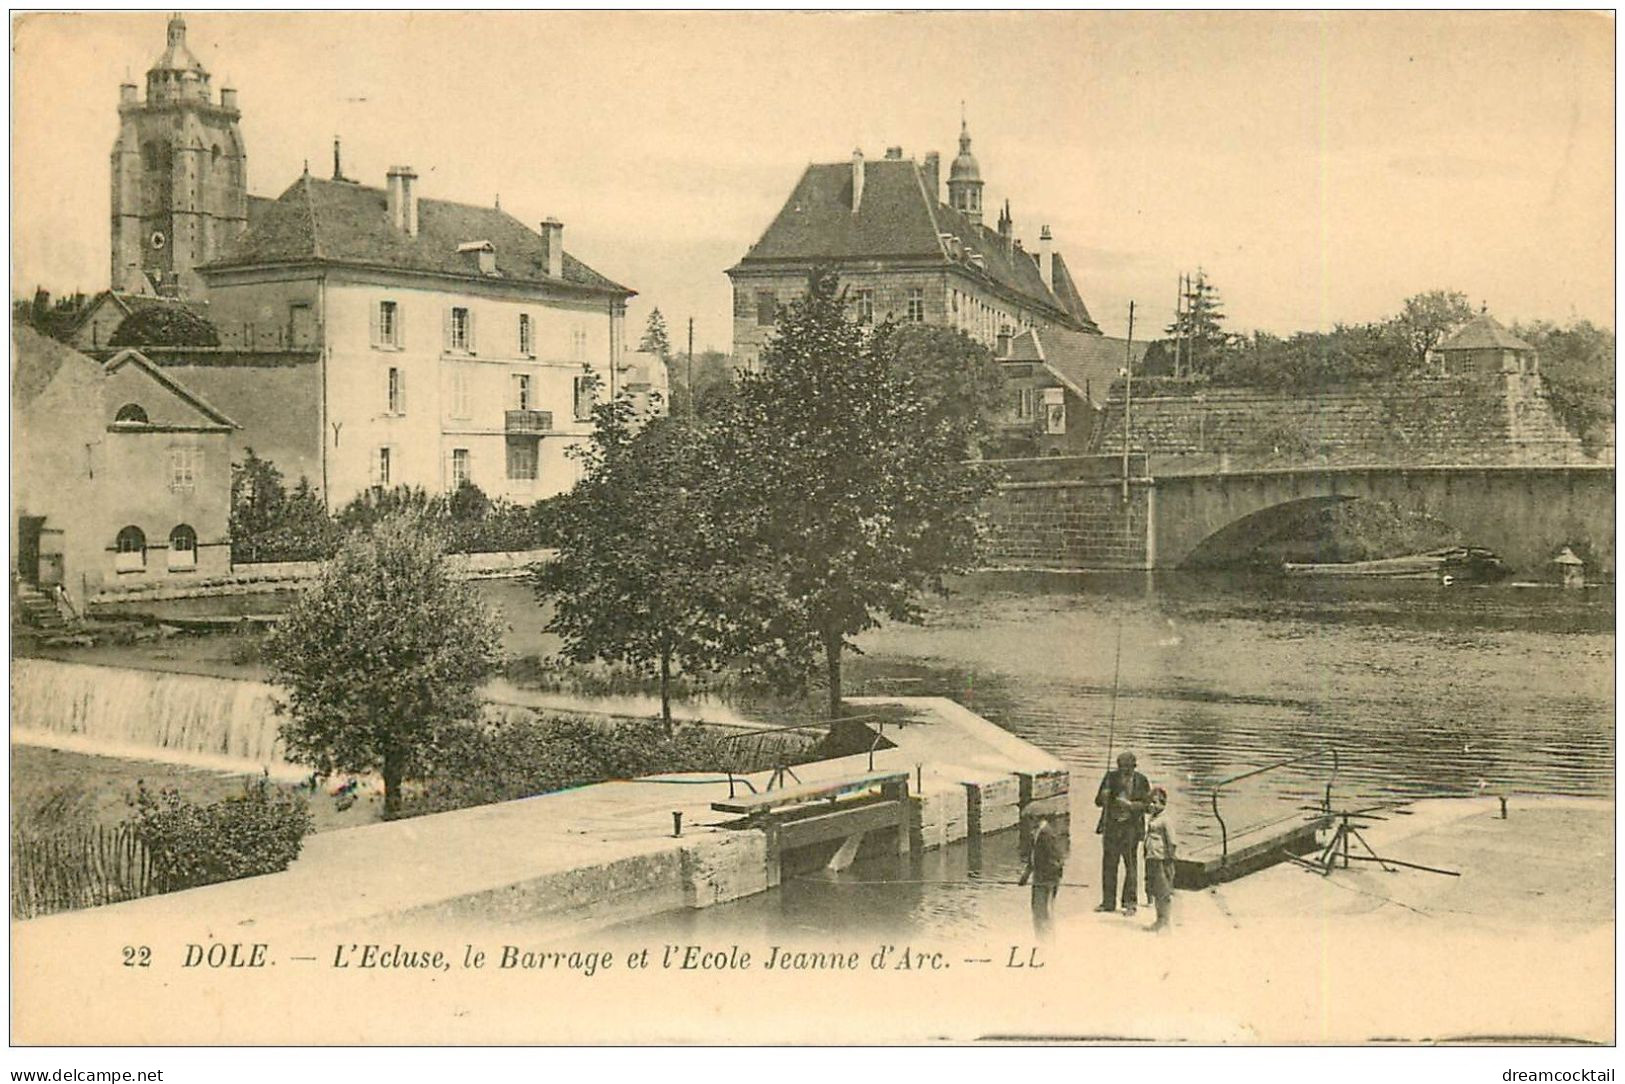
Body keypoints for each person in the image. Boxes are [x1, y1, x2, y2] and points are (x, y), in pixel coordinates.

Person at [1094, 750, 1150, 914]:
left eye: (1126, 768)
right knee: (1109, 865)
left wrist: (1131, 806)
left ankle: (1130, 903)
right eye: (1121, 768)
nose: (1123, 771)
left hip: (1131, 828)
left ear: (1133, 766)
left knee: (1131, 865)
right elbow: (1097, 801)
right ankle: (1108, 902)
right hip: (1111, 827)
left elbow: (1148, 806)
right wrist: (1103, 796)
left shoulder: (1142, 781)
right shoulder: (1110, 777)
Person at [1018, 811, 1066, 938]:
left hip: (1045, 879)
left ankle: (1045, 941)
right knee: (1039, 910)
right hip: (1039, 877)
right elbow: (1034, 857)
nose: (1027, 825)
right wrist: (1026, 875)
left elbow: (1057, 858)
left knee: (1042, 911)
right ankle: (1042, 938)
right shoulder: (1038, 832)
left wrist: (1049, 878)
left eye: (1028, 821)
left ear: (1034, 818)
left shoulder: (1046, 834)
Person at [1144, 787, 1178, 932]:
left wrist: (1170, 859)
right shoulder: (1153, 818)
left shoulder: (1165, 820)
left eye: (1155, 802)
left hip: (1161, 859)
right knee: (1155, 890)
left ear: (1163, 804)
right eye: (1150, 803)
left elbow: (1172, 842)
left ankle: (1164, 920)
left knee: (1163, 891)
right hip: (1152, 857)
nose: (1151, 805)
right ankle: (1159, 919)